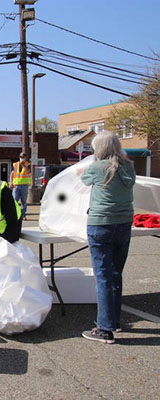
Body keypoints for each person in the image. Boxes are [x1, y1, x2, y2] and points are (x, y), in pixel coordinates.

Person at [78, 132, 135, 344]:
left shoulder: (96, 167)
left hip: (100, 224)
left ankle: (104, 328)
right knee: (115, 274)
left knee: (103, 277)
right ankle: (115, 321)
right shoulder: (129, 167)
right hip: (124, 223)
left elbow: (82, 179)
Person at [9, 152, 31, 220]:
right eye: (21, 157)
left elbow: (28, 172)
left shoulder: (27, 164)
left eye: (23, 157)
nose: (22, 158)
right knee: (14, 200)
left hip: (24, 185)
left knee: (23, 201)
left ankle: (22, 215)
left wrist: (24, 166)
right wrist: (10, 182)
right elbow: (12, 174)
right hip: (16, 185)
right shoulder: (15, 164)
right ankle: (14, 214)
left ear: (25, 158)